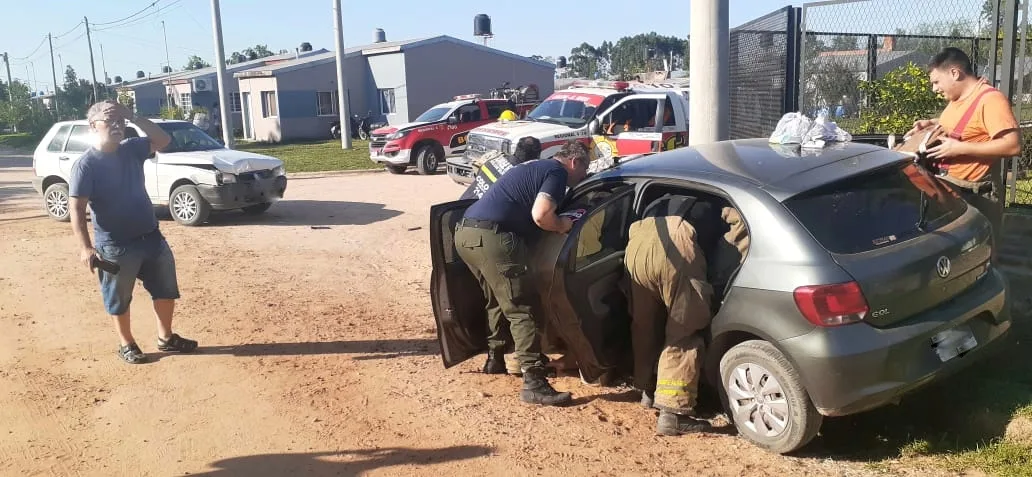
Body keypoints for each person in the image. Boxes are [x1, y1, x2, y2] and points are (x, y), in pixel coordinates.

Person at [454, 139, 591, 406]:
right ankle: (534, 382)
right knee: (522, 307)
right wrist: (563, 224)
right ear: (575, 162)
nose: (583, 175)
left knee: (497, 299)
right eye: (584, 169)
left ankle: (495, 358)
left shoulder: (533, 166)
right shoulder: (556, 172)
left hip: (465, 234)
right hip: (493, 238)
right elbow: (541, 215)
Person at [69, 100, 199, 364]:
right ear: (93, 126)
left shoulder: (131, 149)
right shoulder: (86, 165)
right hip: (115, 245)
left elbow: (163, 140)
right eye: (110, 121)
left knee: (165, 290)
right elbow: (77, 208)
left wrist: (133, 116)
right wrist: (85, 247)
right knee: (118, 298)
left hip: (151, 237)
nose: (117, 125)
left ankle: (166, 338)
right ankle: (126, 343)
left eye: (120, 121)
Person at [625, 196, 723, 436]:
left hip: (637, 245)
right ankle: (673, 413)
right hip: (676, 249)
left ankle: (648, 390)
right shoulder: (716, 204)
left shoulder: (661, 197)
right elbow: (736, 238)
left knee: (646, 326)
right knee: (685, 330)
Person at [907, 47, 1020, 249]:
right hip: (951, 186)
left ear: (955, 73)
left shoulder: (991, 100)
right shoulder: (959, 98)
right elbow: (966, 124)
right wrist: (931, 123)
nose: (934, 89)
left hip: (976, 193)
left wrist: (960, 148)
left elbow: (1013, 145)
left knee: (982, 250)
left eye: (936, 82)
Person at [460, 136, 542, 200]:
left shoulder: (494, 159)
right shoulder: (520, 178)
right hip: (476, 214)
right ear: (536, 157)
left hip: (460, 204)